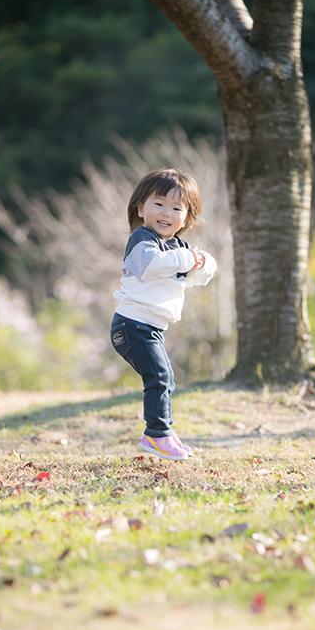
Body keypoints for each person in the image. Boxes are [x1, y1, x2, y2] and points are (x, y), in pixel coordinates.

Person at [110, 168, 217, 461]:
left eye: (176, 208)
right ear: (141, 208)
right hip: (132, 325)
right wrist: (188, 258)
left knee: (164, 378)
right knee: (159, 377)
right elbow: (153, 266)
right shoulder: (142, 240)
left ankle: (163, 432)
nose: (165, 213)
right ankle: (157, 435)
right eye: (158, 204)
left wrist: (202, 262)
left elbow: (197, 276)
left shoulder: (177, 247)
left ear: (187, 219)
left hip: (150, 328)